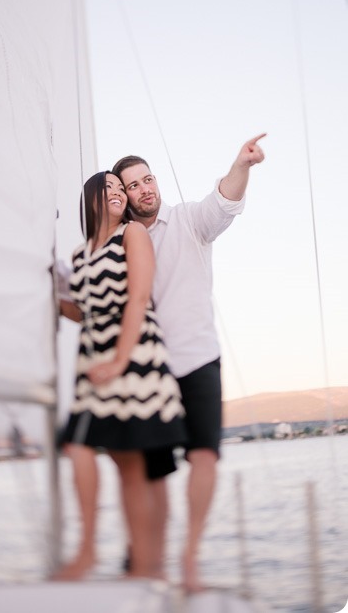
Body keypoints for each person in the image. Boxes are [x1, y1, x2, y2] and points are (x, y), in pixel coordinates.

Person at [111, 133, 266, 591]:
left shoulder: (188, 222)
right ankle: (150, 560)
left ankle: (190, 558)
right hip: (150, 369)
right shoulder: (120, 243)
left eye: (148, 179)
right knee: (154, 470)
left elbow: (224, 203)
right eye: (133, 185)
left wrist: (242, 164)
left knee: (204, 457)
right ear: (123, 196)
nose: (145, 189)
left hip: (198, 358)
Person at [54, 170, 187, 580]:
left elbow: (139, 298)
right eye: (107, 187)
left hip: (136, 359)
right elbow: (82, 311)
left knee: (131, 466)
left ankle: (145, 569)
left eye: (119, 188)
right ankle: (88, 549)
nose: (116, 192)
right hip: (93, 362)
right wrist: (57, 296)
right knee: (78, 449)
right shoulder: (79, 254)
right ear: (91, 198)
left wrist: (120, 360)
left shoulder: (132, 234)